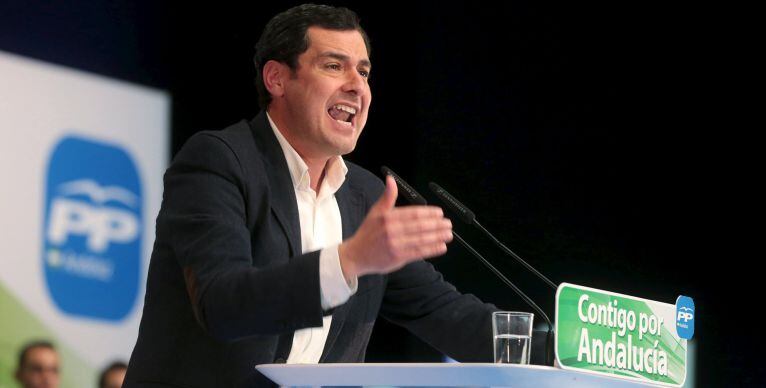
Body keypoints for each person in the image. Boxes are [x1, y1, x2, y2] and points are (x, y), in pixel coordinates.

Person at [124, 4, 496, 387]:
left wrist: (552, 346)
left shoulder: (364, 195)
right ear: (277, 79)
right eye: (334, 66)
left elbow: (446, 313)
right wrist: (348, 260)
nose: (357, 85)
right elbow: (222, 305)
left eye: (364, 71)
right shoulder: (220, 161)